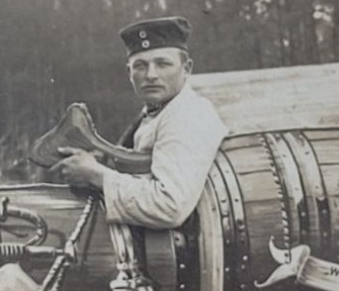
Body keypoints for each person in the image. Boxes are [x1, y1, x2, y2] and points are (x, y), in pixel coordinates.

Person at [51, 16, 229, 228]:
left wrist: (96, 174)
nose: (151, 75)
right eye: (140, 66)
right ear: (129, 72)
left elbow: (170, 205)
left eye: (163, 64)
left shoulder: (188, 115)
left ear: (187, 69)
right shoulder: (158, 112)